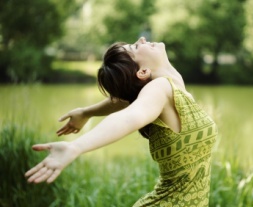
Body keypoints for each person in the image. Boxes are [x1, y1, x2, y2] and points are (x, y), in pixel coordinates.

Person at [25, 37, 218, 206]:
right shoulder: (160, 88)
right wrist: (76, 147)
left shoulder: (172, 85)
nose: (142, 39)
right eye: (135, 47)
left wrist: (86, 112)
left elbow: (126, 100)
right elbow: (132, 114)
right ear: (142, 71)